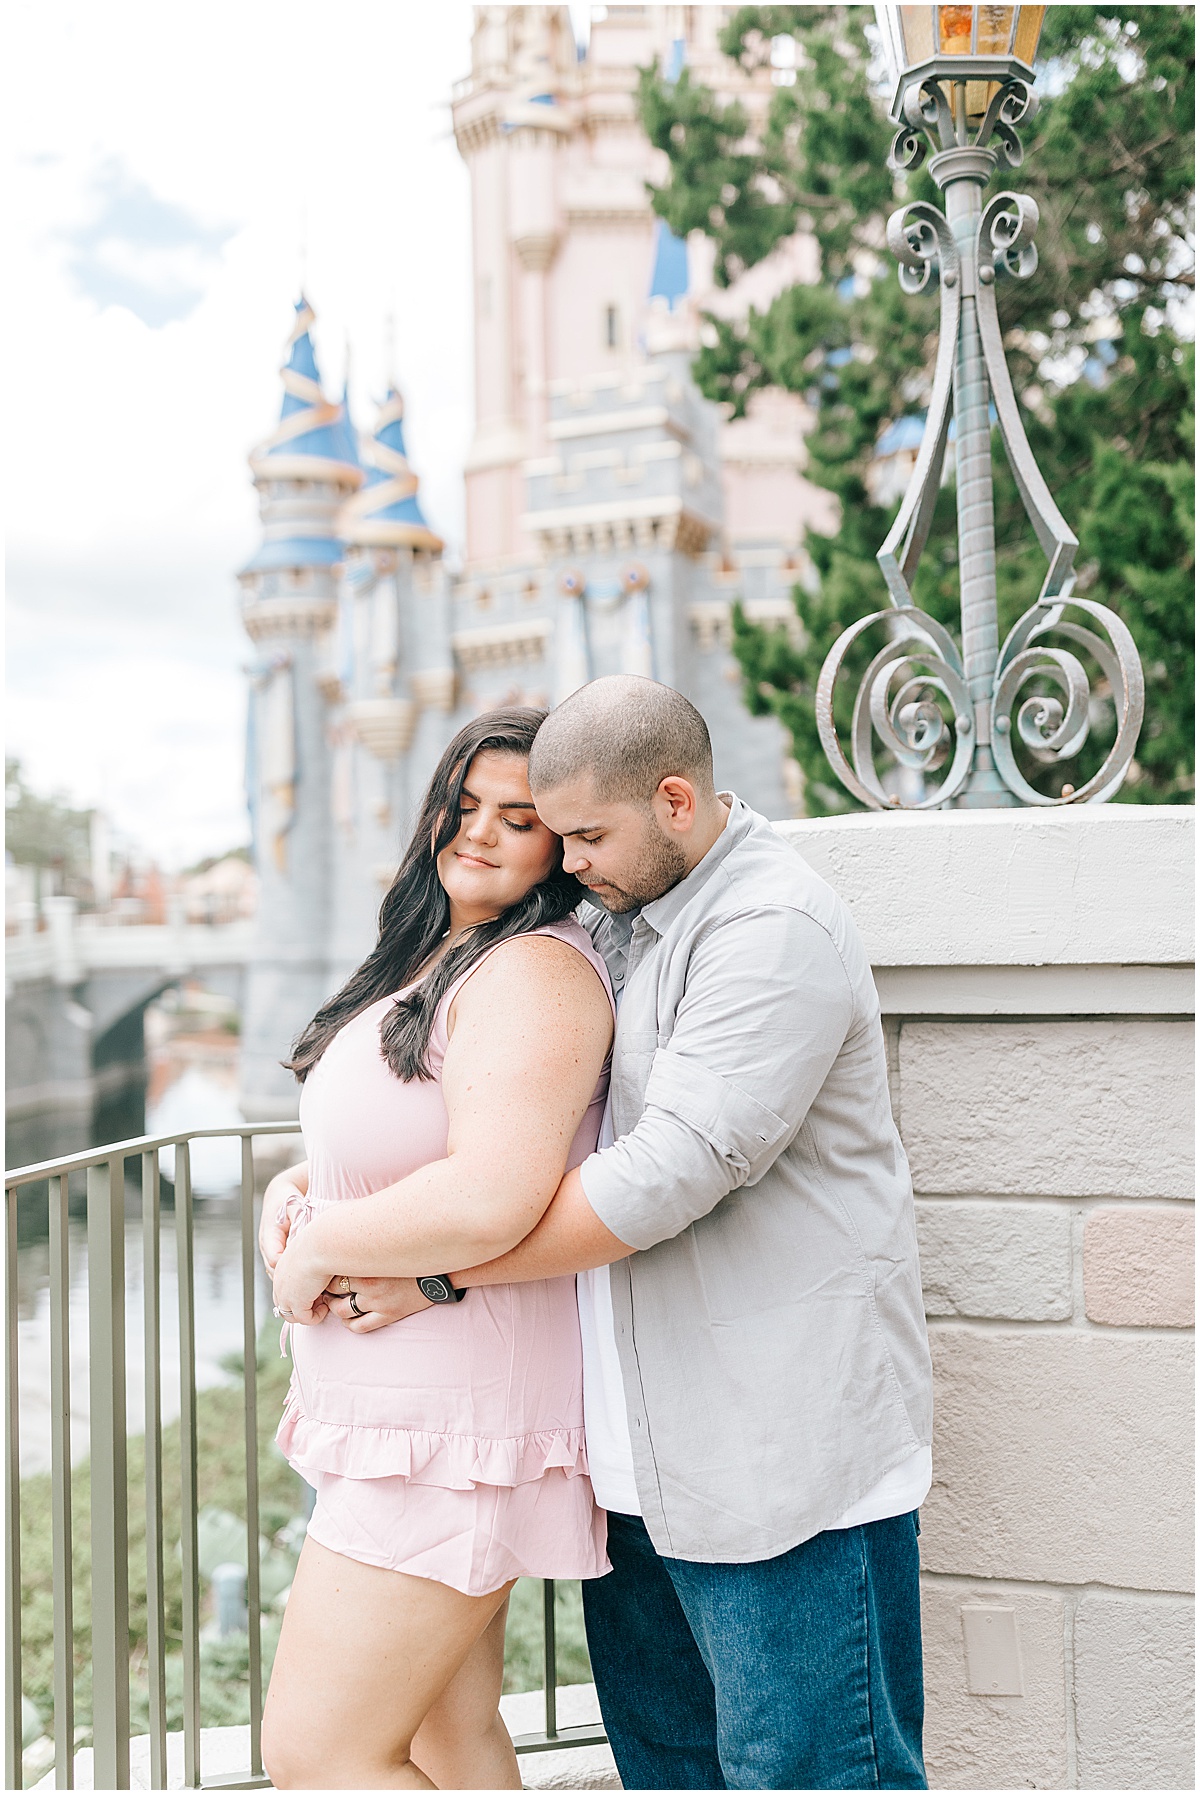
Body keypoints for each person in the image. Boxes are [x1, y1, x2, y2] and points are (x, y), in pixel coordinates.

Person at [268, 675, 935, 1791]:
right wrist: (312, 1198)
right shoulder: (630, 918)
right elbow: (472, 1127)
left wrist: (425, 1276)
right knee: (671, 1768)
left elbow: (660, 1177)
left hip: (773, 1458)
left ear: (675, 800)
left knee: (813, 1771)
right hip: (642, 1457)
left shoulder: (767, 928)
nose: (569, 863)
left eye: (578, 833)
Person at [259, 708, 615, 1791]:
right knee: (444, 1742)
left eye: (518, 817)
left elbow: (494, 1189)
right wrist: (304, 1184)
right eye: (463, 807)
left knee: (320, 1755)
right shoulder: (447, 956)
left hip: (452, 1431)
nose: (479, 834)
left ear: (561, 841)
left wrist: (315, 1247)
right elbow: (412, 1137)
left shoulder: (535, 972)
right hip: (413, 1423)